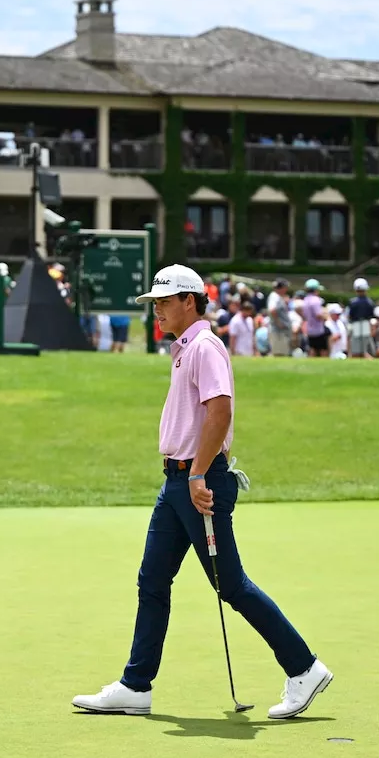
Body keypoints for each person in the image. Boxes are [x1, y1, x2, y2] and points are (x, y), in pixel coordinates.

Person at [71, 264, 332, 719]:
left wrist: (197, 475)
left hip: (198, 481)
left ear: (189, 300)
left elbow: (220, 412)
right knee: (151, 581)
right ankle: (136, 686)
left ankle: (304, 668)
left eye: (163, 303)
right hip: (176, 483)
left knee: (231, 585)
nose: (157, 312)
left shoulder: (205, 347)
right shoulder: (184, 349)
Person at [346, 278, 376, 358]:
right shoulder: (370, 302)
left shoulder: (352, 302)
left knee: (355, 350)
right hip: (366, 325)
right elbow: (371, 317)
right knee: (364, 349)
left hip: (355, 325)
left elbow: (349, 316)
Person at [301, 279, 328, 357]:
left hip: (309, 329)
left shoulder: (305, 300)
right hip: (318, 329)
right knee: (323, 349)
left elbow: (304, 315)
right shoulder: (315, 300)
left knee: (312, 348)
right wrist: (326, 317)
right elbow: (318, 315)